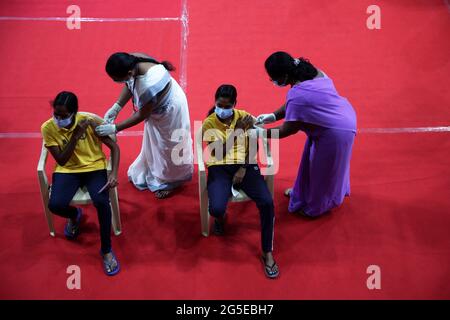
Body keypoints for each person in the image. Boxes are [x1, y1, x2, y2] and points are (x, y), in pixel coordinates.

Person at [256, 51, 357, 218]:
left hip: (336, 132)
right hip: (336, 118)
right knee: (310, 163)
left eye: (274, 79)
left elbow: (287, 130)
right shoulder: (311, 72)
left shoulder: (298, 95)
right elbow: (293, 104)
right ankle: (301, 192)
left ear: (285, 75)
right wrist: (273, 115)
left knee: (322, 172)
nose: (274, 82)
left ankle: (316, 208)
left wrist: (261, 132)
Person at [202, 84, 279, 278]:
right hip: (219, 166)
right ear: (215, 102)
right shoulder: (209, 124)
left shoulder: (244, 117)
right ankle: (221, 219)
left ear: (235, 104)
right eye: (219, 104)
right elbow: (218, 153)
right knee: (216, 209)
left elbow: (254, 141)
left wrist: (243, 168)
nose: (223, 109)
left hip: (245, 165)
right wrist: (236, 131)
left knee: (267, 202)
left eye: (227, 106)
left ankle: (267, 251)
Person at [41, 91, 121, 276]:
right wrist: (76, 136)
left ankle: (106, 250)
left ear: (74, 113)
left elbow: (114, 148)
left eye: (63, 115)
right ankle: (75, 214)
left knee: (102, 202)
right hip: (67, 170)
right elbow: (61, 160)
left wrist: (114, 173)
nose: (58, 119)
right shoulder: (48, 128)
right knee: (55, 205)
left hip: (94, 168)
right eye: (56, 114)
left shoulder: (89, 121)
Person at [95, 52, 193, 199]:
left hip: (170, 111)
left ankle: (172, 180)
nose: (118, 82)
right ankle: (158, 170)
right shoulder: (134, 60)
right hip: (160, 102)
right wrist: (117, 106)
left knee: (169, 146)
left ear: (129, 72)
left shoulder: (147, 87)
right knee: (157, 145)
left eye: (118, 79)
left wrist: (115, 128)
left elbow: (142, 115)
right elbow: (129, 83)